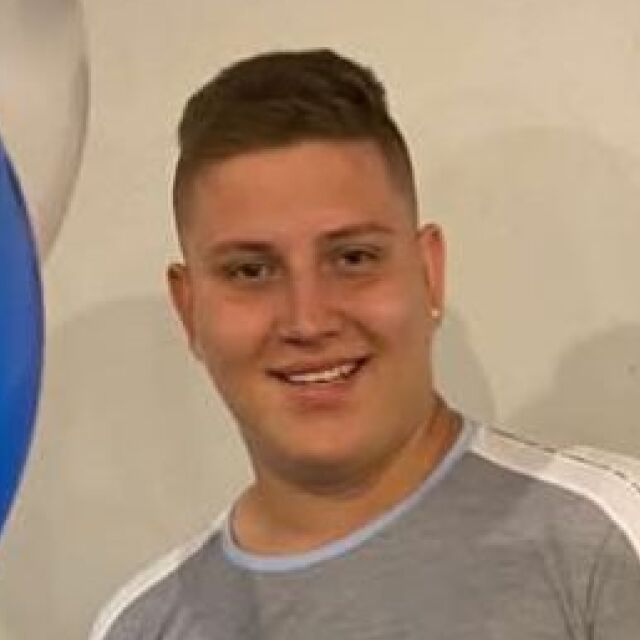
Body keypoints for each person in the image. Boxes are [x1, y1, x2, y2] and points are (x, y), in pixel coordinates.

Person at [91, 49, 640, 639]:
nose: (307, 321)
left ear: (428, 273)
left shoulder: (608, 539)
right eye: (251, 271)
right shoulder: (141, 627)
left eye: (353, 258)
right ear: (189, 309)